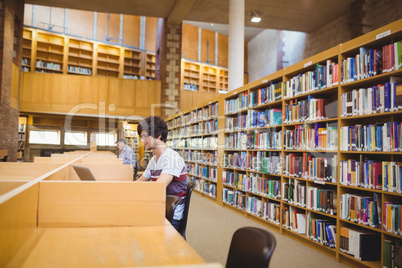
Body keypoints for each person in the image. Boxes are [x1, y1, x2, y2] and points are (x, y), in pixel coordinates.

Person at [136, 116, 187, 232]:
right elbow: (139, 181)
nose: (142, 141)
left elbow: (158, 188)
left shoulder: (171, 158)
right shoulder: (154, 160)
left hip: (170, 216)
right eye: (141, 137)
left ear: (158, 135)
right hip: (158, 208)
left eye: (145, 136)